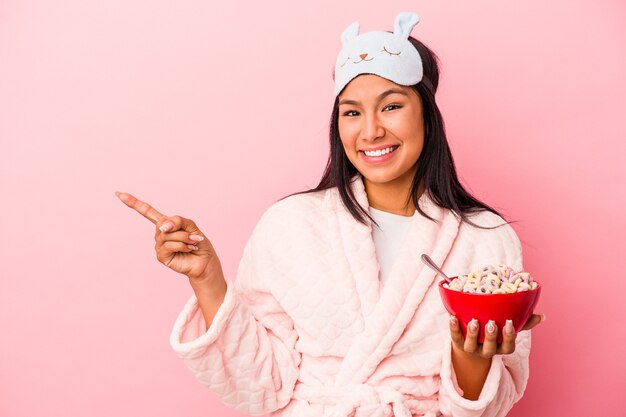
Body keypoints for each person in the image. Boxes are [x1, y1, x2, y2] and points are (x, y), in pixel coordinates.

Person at [116, 12, 544, 417]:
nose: (371, 131)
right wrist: (207, 278)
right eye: (352, 112)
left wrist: (470, 356)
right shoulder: (291, 224)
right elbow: (260, 387)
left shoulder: (485, 236)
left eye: (391, 106)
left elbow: (489, 406)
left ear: (427, 116)